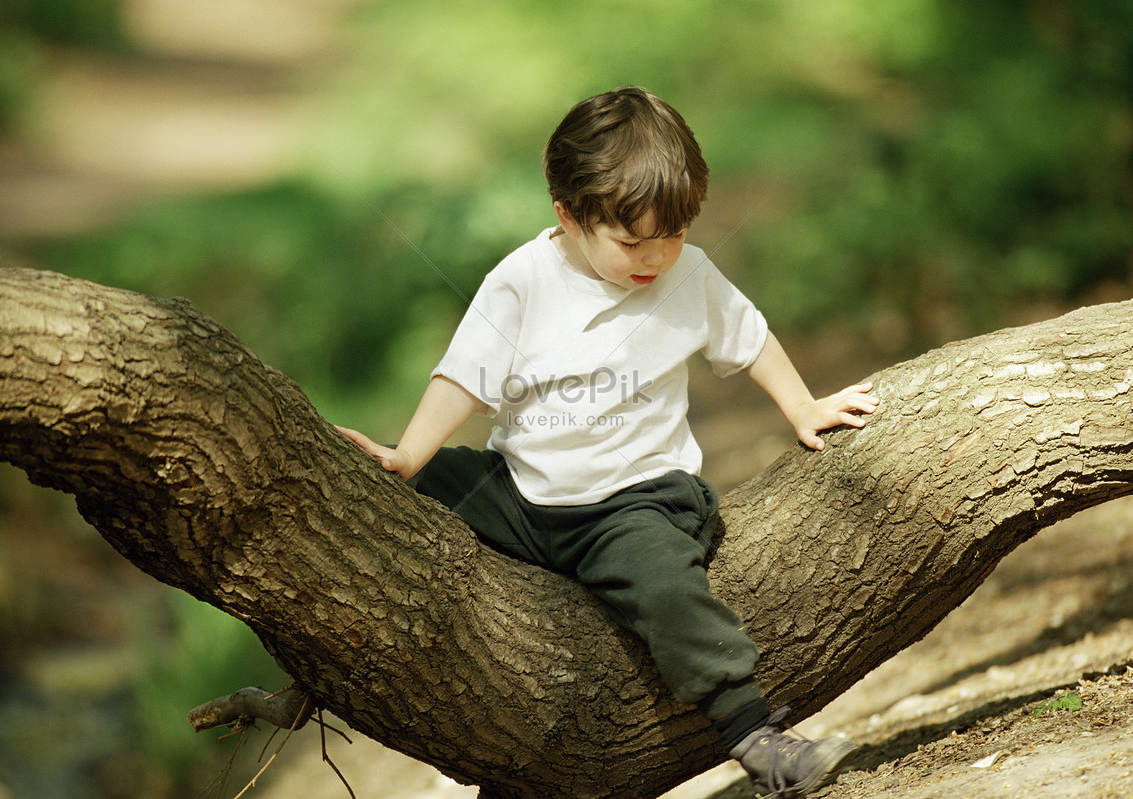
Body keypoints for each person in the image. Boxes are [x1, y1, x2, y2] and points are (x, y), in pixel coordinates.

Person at [337, 86, 879, 798]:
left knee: (666, 585)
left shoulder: (689, 275)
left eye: (673, 235)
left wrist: (802, 404)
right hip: (524, 493)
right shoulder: (522, 282)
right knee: (422, 482)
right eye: (631, 242)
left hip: (635, 500)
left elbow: (749, 339)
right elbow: (464, 379)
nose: (655, 257)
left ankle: (757, 736)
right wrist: (408, 455)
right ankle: (416, 710)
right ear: (568, 216)